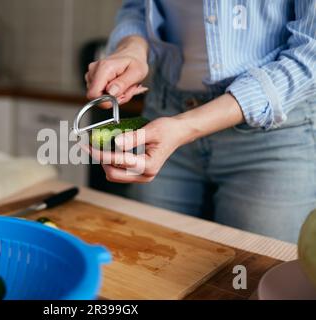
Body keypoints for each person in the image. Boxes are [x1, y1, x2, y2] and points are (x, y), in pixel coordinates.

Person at [84, 0, 316, 243]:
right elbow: (139, 7)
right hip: (167, 111)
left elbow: (310, 56)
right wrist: (131, 48)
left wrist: (187, 126)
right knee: (147, 251)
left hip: (276, 134)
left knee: (252, 271)